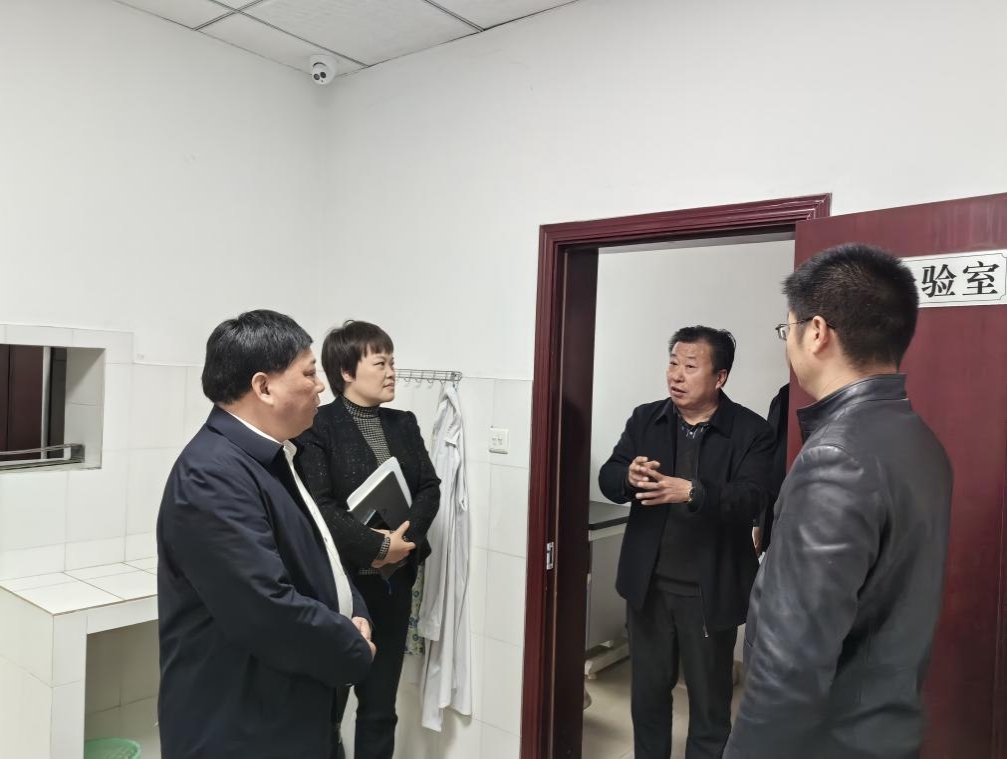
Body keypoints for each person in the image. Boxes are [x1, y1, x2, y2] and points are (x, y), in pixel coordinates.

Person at [724, 244, 953, 759]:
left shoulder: (836, 458)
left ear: (817, 332)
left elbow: (790, 665)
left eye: (787, 329)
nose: (789, 344)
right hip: (883, 730)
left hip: (830, 740)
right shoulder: (919, 439)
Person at [157, 310, 375, 759]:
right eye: (309, 373)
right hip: (242, 728)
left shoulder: (273, 456)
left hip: (290, 710)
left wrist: (355, 609)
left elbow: (320, 551)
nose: (321, 386)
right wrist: (351, 647)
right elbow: (264, 609)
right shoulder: (211, 474)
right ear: (264, 387)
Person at [599, 326, 774, 759]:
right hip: (649, 587)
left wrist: (693, 492)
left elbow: (754, 498)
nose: (676, 375)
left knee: (710, 705)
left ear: (720, 377)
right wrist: (628, 476)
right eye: (673, 363)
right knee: (647, 698)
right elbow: (609, 477)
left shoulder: (751, 430)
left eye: (690, 366)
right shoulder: (646, 419)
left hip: (708, 591)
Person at [298, 320, 441, 759]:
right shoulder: (317, 426)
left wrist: (401, 542)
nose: (392, 372)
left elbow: (429, 487)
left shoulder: (403, 422)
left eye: (392, 362)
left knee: (380, 708)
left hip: (394, 583)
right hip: (341, 589)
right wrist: (376, 547)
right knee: (327, 707)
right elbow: (320, 506)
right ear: (346, 371)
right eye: (380, 363)